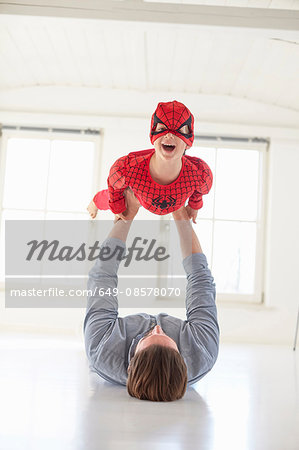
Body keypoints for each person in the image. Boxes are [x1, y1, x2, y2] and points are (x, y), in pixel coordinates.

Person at [83, 188, 219, 402]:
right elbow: (200, 278)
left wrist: (127, 215)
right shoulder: (202, 353)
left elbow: (103, 275)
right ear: (182, 359)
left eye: (147, 337)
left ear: (132, 359)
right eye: (167, 338)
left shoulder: (103, 348)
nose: (157, 327)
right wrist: (180, 214)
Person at [87, 100, 213, 224]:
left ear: (189, 141)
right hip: (139, 195)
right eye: (163, 128)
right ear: (153, 135)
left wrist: (194, 204)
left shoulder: (200, 174)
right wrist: (117, 207)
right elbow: (114, 186)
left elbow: (200, 191)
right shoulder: (127, 169)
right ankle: (95, 201)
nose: (169, 135)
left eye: (179, 131)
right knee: (113, 196)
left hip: (176, 200)